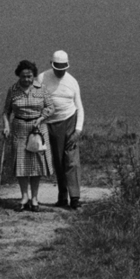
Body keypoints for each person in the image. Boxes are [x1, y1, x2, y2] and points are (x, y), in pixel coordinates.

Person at [2, 60, 54, 212]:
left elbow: (51, 107)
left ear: (34, 76)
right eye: (24, 76)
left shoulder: (41, 89)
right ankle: (24, 197)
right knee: (21, 164)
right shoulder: (13, 90)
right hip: (19, 129)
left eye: (30, 76)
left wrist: (41, 118)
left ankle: (35, 198)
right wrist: (6, 126)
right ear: (19, 75)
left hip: (38, 130)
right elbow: (6, 111)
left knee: (36, 165)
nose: (26, 79)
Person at [37, 50, 84, 209]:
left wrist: (77, 130)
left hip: (70, 120)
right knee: (58, 161)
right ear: (52, 64)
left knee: (71, 160)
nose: (60, 71)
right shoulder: (42, 78)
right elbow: (37, 102)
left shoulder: (72, 81)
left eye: (63, 68)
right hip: (51, 124)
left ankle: (75, 198)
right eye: (57, 68)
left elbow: (80, 107)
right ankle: (62, 196)